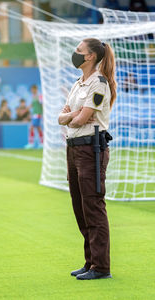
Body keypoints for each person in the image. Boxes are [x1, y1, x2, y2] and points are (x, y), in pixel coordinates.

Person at [58, 38, 117, 280]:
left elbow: (81, 120)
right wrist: (74, 115)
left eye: (79, 51)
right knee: (80, 207)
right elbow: (65, 117)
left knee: (93, 206)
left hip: (90, 149)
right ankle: (90, 261)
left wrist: (72, 116)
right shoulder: (77, 83)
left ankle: (101, 267)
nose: (75, 54)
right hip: (73, 148)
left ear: (90, 56)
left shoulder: (99, 84)